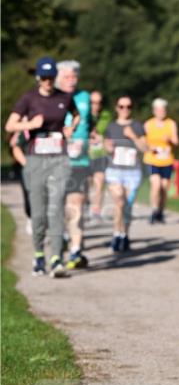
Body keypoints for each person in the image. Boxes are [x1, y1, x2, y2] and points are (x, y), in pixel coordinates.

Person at [5, 56, 79, 277]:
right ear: (38, 77)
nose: (48, 81)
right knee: (38, 213)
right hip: (36, 160)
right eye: (44, 77)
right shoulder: (29, 99)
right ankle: (39, 255)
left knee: (56, 209)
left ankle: (56, 259)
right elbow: (10, 125)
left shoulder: (64, 97)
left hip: (59, 159)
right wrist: (30, 124)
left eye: (51, 77)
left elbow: (76, 115)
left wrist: (71, 128)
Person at [56, 60, 92, 270]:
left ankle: (76, 250)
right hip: (56, 161)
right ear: (58, 78)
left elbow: (89, 123)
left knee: (76, 204)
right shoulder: (52, 98)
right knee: (58, 206)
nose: (71, 81)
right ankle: (60, 238)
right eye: (67, 77)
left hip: (80, 161)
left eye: (74, 77)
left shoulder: (84, 97)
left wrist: (91, 137)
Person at [104, 96, 147, 253]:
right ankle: (116, 234)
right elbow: (106, 146)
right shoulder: (111, 126)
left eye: (128, 106)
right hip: (114, 170)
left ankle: (125, 235)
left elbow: (145, 148)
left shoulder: (137, 126)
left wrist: (133, 136)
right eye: (122, 106)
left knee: (127, 206)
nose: (125, 109)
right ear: (117, 108)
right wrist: (108, 147)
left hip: (132, 172)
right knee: (119, 202)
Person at [143, 98, 179, 224]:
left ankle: (160, 212)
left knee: (164, 188)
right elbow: (142, 142)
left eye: (163, 110)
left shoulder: (171, 123)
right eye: (158, 110)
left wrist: (169, 139)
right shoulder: (148, 124)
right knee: (156, 185)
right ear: (154, 111)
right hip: (152, 160)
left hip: (166, 160)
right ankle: (154, 210)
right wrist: (150, 147)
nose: (161, 112)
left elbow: (176, 142)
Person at [88, 90, 112, 221]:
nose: (95, 105)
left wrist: (101, 137)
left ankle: (96, 211)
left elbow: (108, 133)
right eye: (92, 103)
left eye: (98, 103)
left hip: (100, 154)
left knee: (99, 182)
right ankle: (85, 205)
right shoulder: (82, 115)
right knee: (85, 184)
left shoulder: (106, 116)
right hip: (85, 155)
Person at [9, 130, 32, 235]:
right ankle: (30, 217)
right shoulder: (23, 131)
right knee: (27, 193)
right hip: (25, 167)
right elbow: (13, 146)